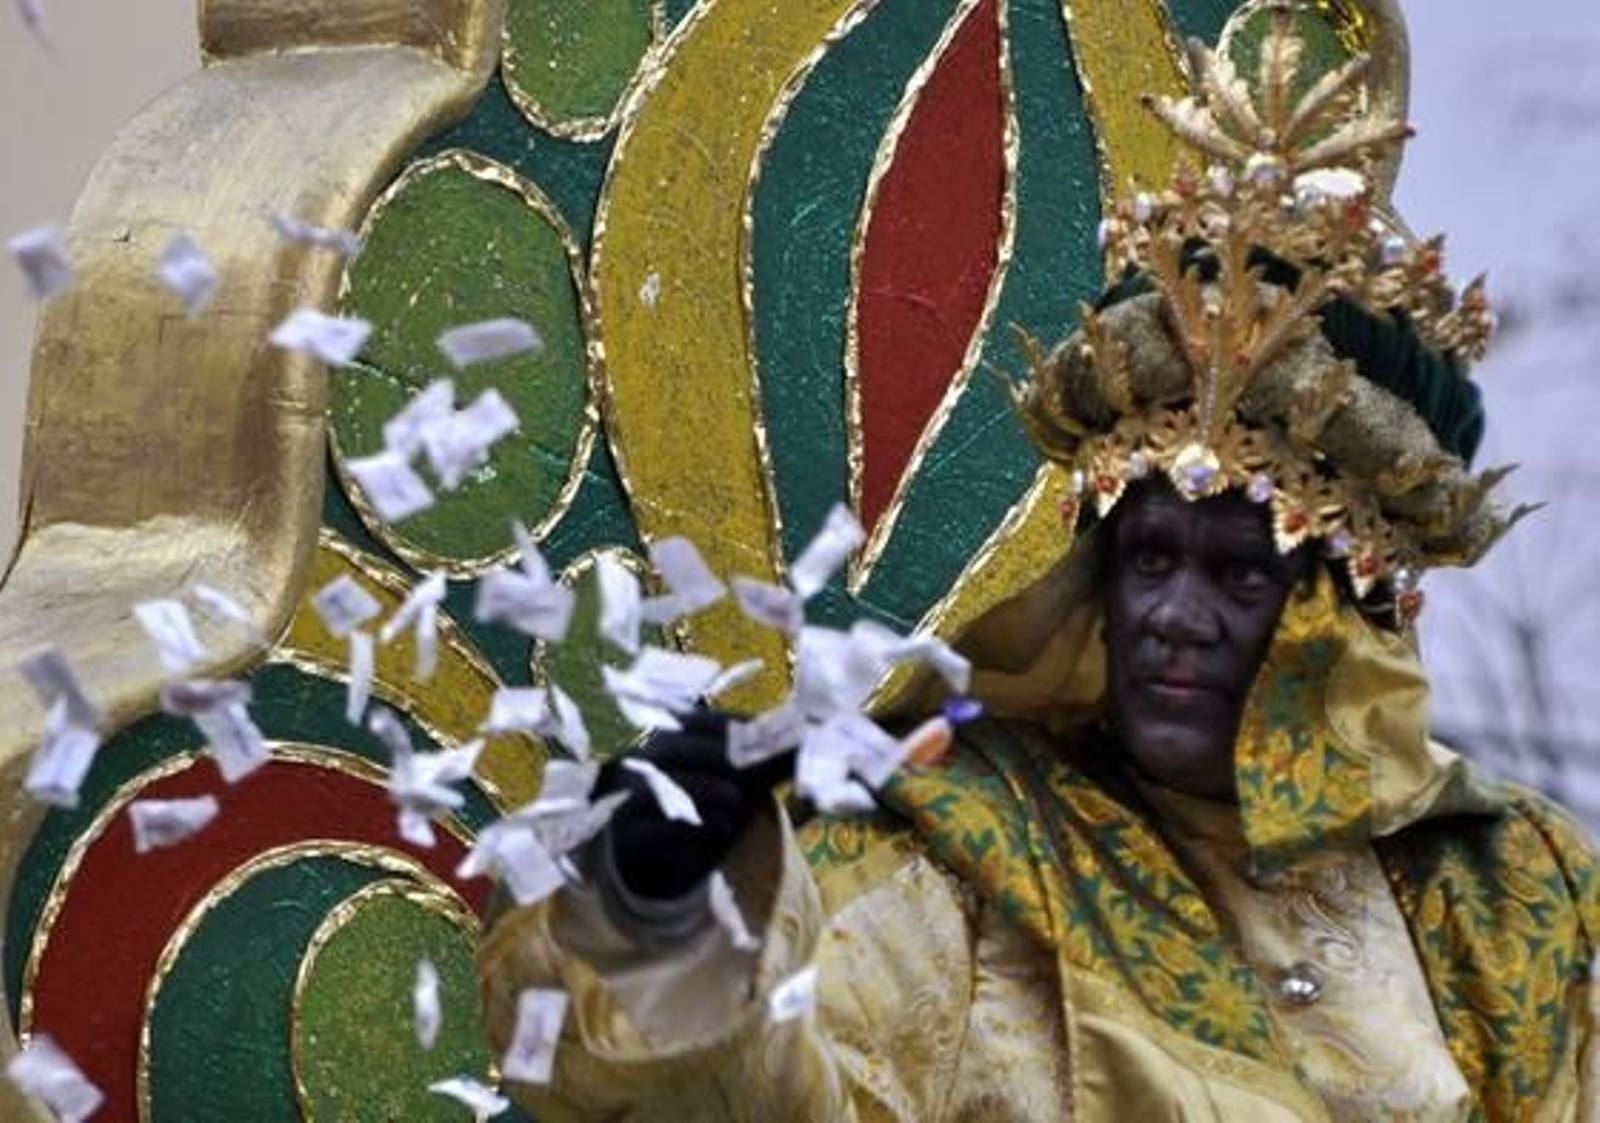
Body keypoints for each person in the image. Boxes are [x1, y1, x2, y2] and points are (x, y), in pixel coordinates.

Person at [478, 16, 1599, 1121]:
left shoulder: (1507, 890)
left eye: (1239, 577)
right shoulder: (966, 846)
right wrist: (657, 912)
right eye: (1150, 557)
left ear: (1345, 615)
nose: (1174, 615)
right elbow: (765, 1097)